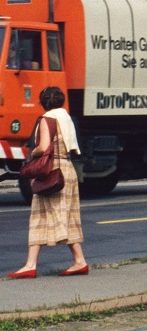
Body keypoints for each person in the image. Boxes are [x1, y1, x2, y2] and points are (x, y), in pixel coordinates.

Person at [9, 87, 87, 279]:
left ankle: (78, 261)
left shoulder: (47, 119)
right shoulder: (66, 118)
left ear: (42, 102)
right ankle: (33, 264)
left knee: (43, 216)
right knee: (62, 216)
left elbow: (43, 147)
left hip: (52, 171)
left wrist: (33, 152)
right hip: (67, 169)